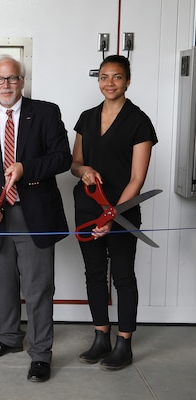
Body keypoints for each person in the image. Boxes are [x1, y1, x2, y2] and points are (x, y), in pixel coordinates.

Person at [0, 55, 71, 382]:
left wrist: (26, 170)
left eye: (12, 79)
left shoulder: (45, 112)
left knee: (38, 286)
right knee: (3, 282)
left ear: (22, 81)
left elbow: (62, 158)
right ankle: (9, 338)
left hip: (35, 213)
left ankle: (41, 353)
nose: (6, 85)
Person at [71, 55, 157, 371]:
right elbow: (74, 163)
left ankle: (124, 341)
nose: (109, 83)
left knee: (122, 276)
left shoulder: (139, 121)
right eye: (104, 77)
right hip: (87, 208)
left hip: (122, 211)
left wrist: (111, 217)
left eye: (117, 77)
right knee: (93, 273)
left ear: (128, 81)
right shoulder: (87, 117)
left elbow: (137, 179)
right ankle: (101, 336)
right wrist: (85, 170)